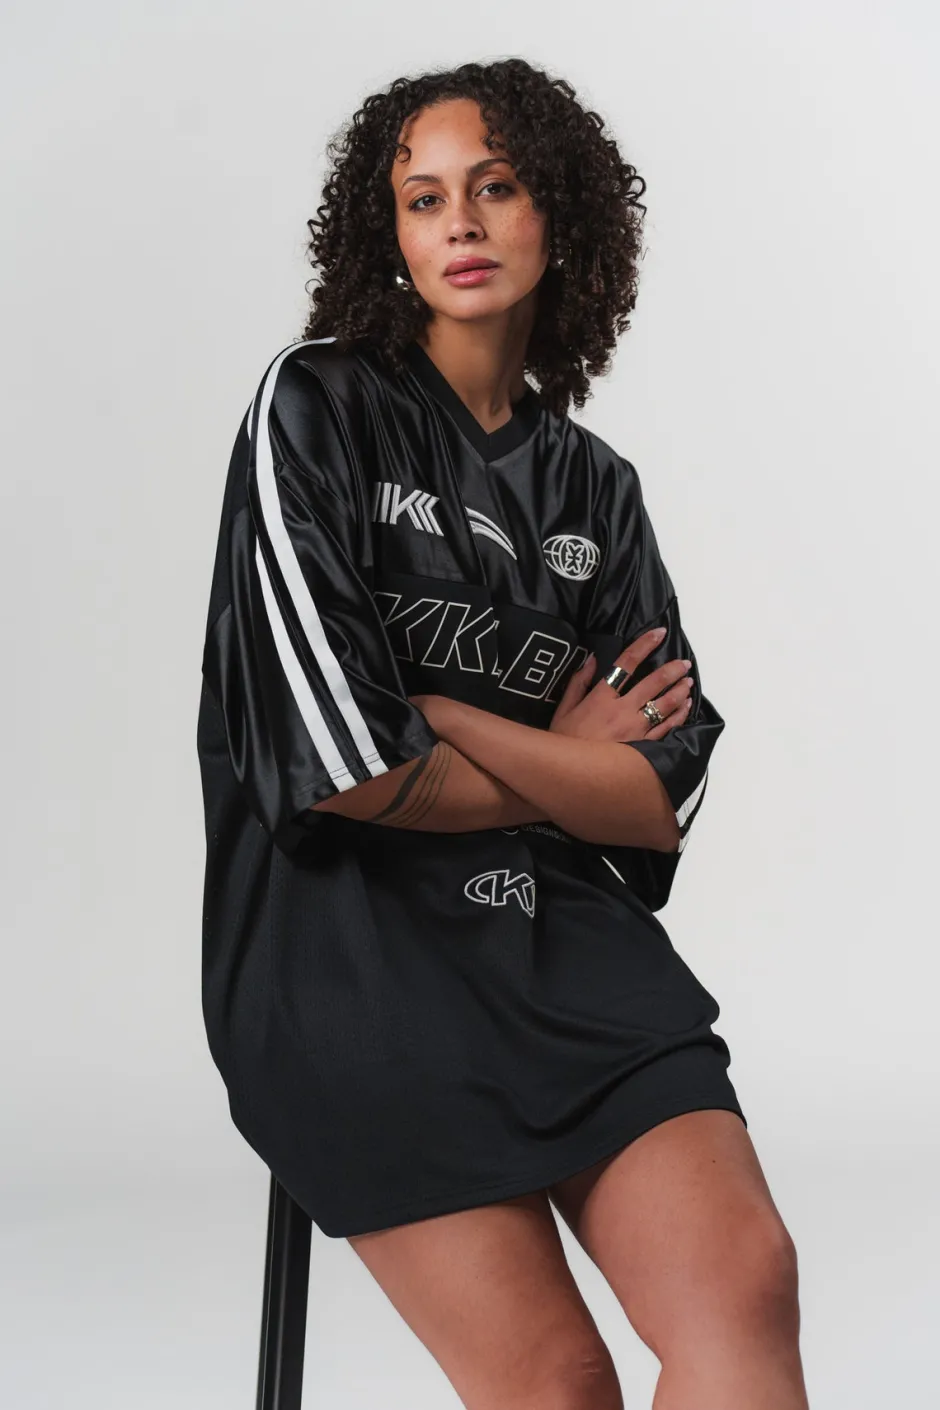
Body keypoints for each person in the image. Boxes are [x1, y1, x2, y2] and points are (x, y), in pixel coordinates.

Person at [197, 57, 809, 1410]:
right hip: (349, 957)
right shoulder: (315, 409)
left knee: (746, 1285)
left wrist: (456, 717)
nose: (461, 224)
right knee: (559, 1380)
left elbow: (654, 802)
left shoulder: (597, 488)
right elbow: (345, 769)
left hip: (559, 941)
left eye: (496, 187)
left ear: (559, 216)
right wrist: (566, 762)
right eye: (424, 199)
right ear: (389, 235)